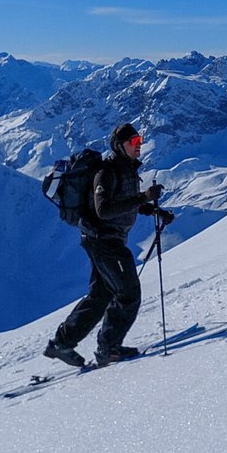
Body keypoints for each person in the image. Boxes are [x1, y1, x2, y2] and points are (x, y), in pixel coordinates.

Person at [44, 122, 174, 367]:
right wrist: (144, 196)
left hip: (104, 239)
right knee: (128, 293)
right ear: (119, 145)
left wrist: (154, 210)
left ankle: (61, 344)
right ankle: (108, 348)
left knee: (100, 296)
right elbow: (104, 210)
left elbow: (125, 202)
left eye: (140, 141)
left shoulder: (126, 170)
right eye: (133, 142)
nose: (138, 145)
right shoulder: (106, 172)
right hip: (103, 240)